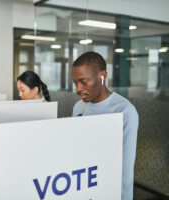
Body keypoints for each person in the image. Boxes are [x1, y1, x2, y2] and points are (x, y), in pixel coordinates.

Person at [71, 51, 139, 200]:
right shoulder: (79, 107)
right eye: (75, 83)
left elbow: (125, 170)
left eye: (83, 82)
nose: (78, 89)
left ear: (102, 77)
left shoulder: (125, 111)